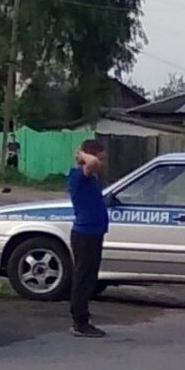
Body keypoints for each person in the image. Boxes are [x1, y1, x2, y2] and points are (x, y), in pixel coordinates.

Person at [68, 139, 109, 338]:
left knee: (90, 277)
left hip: (94, 233)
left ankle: (83, 319)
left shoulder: (91, 178)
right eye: (100, 158)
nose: (101, 163)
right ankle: (79, 322)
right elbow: (91, 163)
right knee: (83, 278)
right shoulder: (78, 175)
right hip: (84, 234)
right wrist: (82, 155)